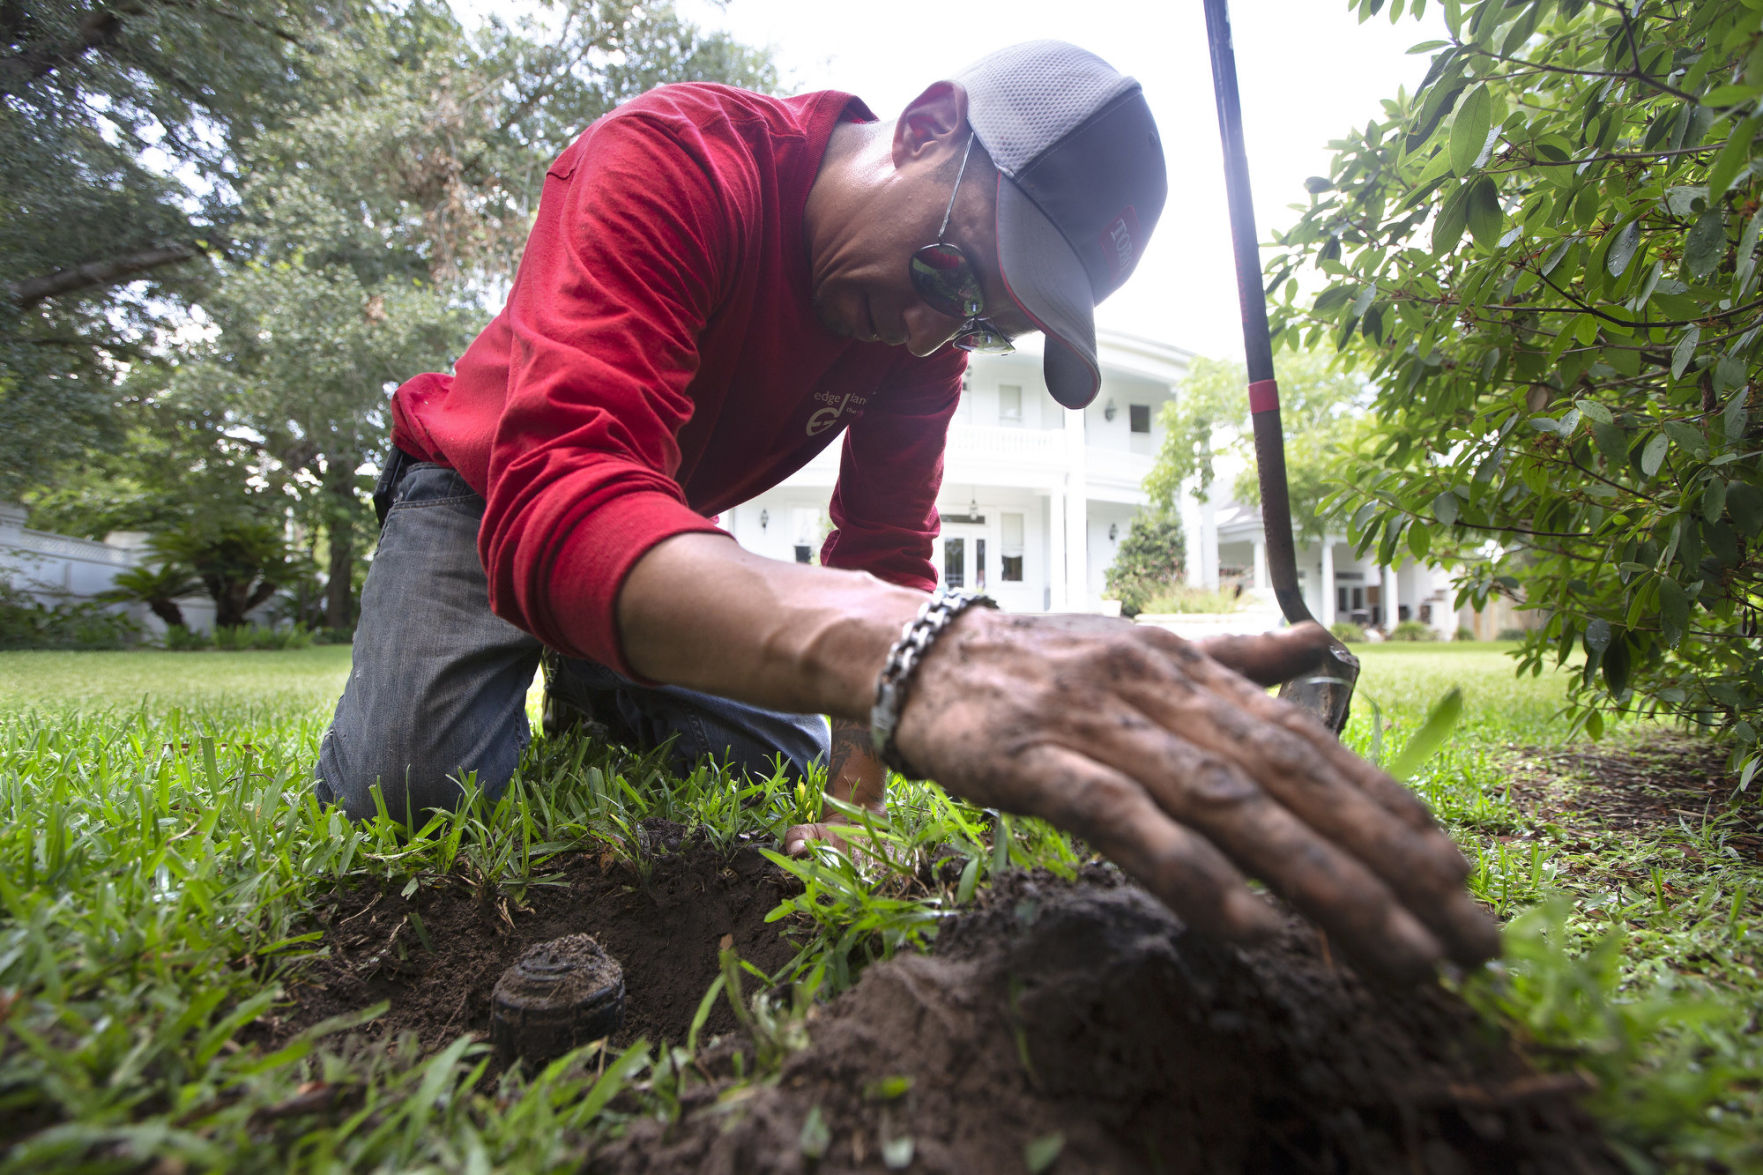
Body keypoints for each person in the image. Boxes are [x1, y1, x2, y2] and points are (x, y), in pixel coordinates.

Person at [315, 41, 1499, 982]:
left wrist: (851, 814)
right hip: (486, 490)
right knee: (407, 795)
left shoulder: (916, 345)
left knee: (763, 758)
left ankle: (604, 672)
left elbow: (883, 557)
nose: (938, 333)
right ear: (925, 127)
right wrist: (926, 657)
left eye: (982, 323)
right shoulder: (673, 159)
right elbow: (563, 486)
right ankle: (601, 654)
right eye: (951, 274)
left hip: (656, 512)